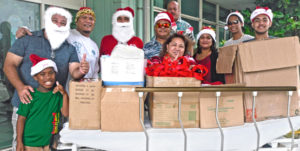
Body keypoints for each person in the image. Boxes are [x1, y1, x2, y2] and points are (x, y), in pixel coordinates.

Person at [4, 7, 89, 151]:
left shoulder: (69, 48)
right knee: (22, 145)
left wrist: (81, 70)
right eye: (54, 20)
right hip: (27, 103)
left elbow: (74, 72)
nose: (58, 25)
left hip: (53, 108)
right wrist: (20, 87)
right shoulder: (27, 40)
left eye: (63, 22)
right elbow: (8, 65)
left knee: (51, 145)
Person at [16, 7, 99, 79]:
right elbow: (48, 32)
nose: (88, 21)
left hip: (87, 90)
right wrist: (24, 29)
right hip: (68, 89)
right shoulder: (67, 33)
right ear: (77, 21)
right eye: (84, 18)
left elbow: (95, 72)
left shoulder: (94, 45)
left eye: (91, 19)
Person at [16, 54, 69, 151]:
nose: (48, 77)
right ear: (35, 77)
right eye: (42, 74)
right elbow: (21, 119)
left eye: (51, 73)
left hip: (50, 143)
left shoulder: (58, 95)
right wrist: (19, 142)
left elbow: (66, 113)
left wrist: (65, 94)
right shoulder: (30, 95)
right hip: (30, 144)